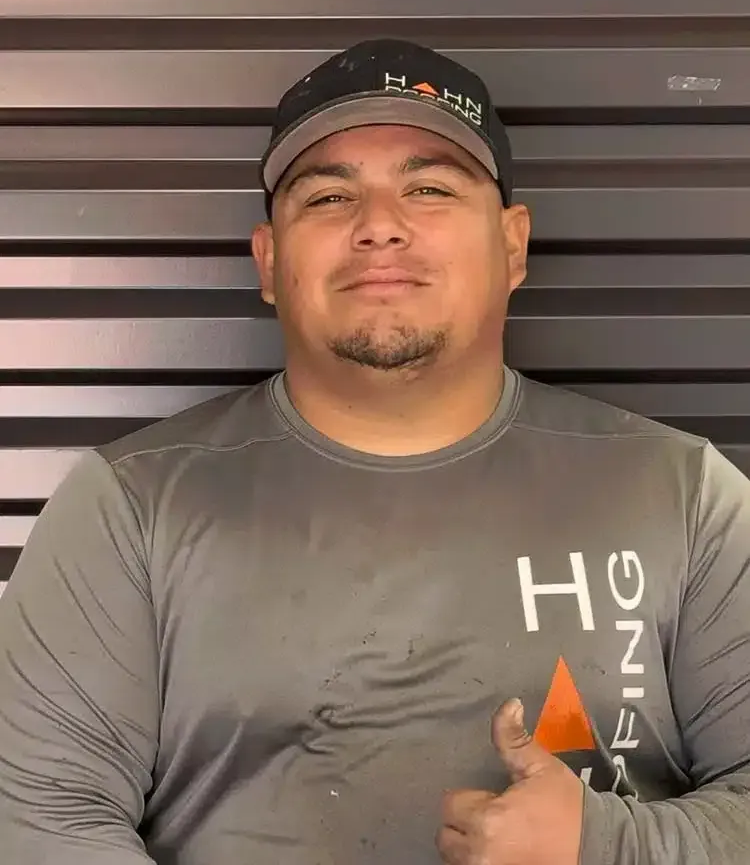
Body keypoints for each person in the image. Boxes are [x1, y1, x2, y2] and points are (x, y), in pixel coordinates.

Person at [1, 37, 749, 865]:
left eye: (429, 188)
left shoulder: (687, 496)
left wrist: (612, 846)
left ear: (513, 245)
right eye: (327, 198)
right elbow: (43, 820)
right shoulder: (129, 508)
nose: (379, 227)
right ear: (270, 260)